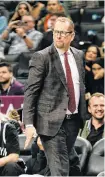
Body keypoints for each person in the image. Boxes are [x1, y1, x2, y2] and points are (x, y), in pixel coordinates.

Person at [23, 17, 86, 176]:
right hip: (50, 124)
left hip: (73, 121)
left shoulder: (78, 55)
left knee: (60, 167)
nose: (58, 36)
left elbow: (79, 84)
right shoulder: (42, 57)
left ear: (72, 35)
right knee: (61, 170)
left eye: (63, 33)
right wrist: (29, 124)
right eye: (56, 32)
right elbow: (31, 92)